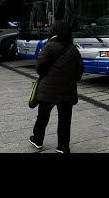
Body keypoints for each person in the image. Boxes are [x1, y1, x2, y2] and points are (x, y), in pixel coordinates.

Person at [29, 20, 84, 153]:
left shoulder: (48, 46)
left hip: (47, 91)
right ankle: (63, 147)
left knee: (42, 117)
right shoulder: (74, 50)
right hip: (67, 92)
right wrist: (69, 81)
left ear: (54, 31)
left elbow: (39, 68)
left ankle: (38, 140)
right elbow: (79, 71)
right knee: (65, 121)